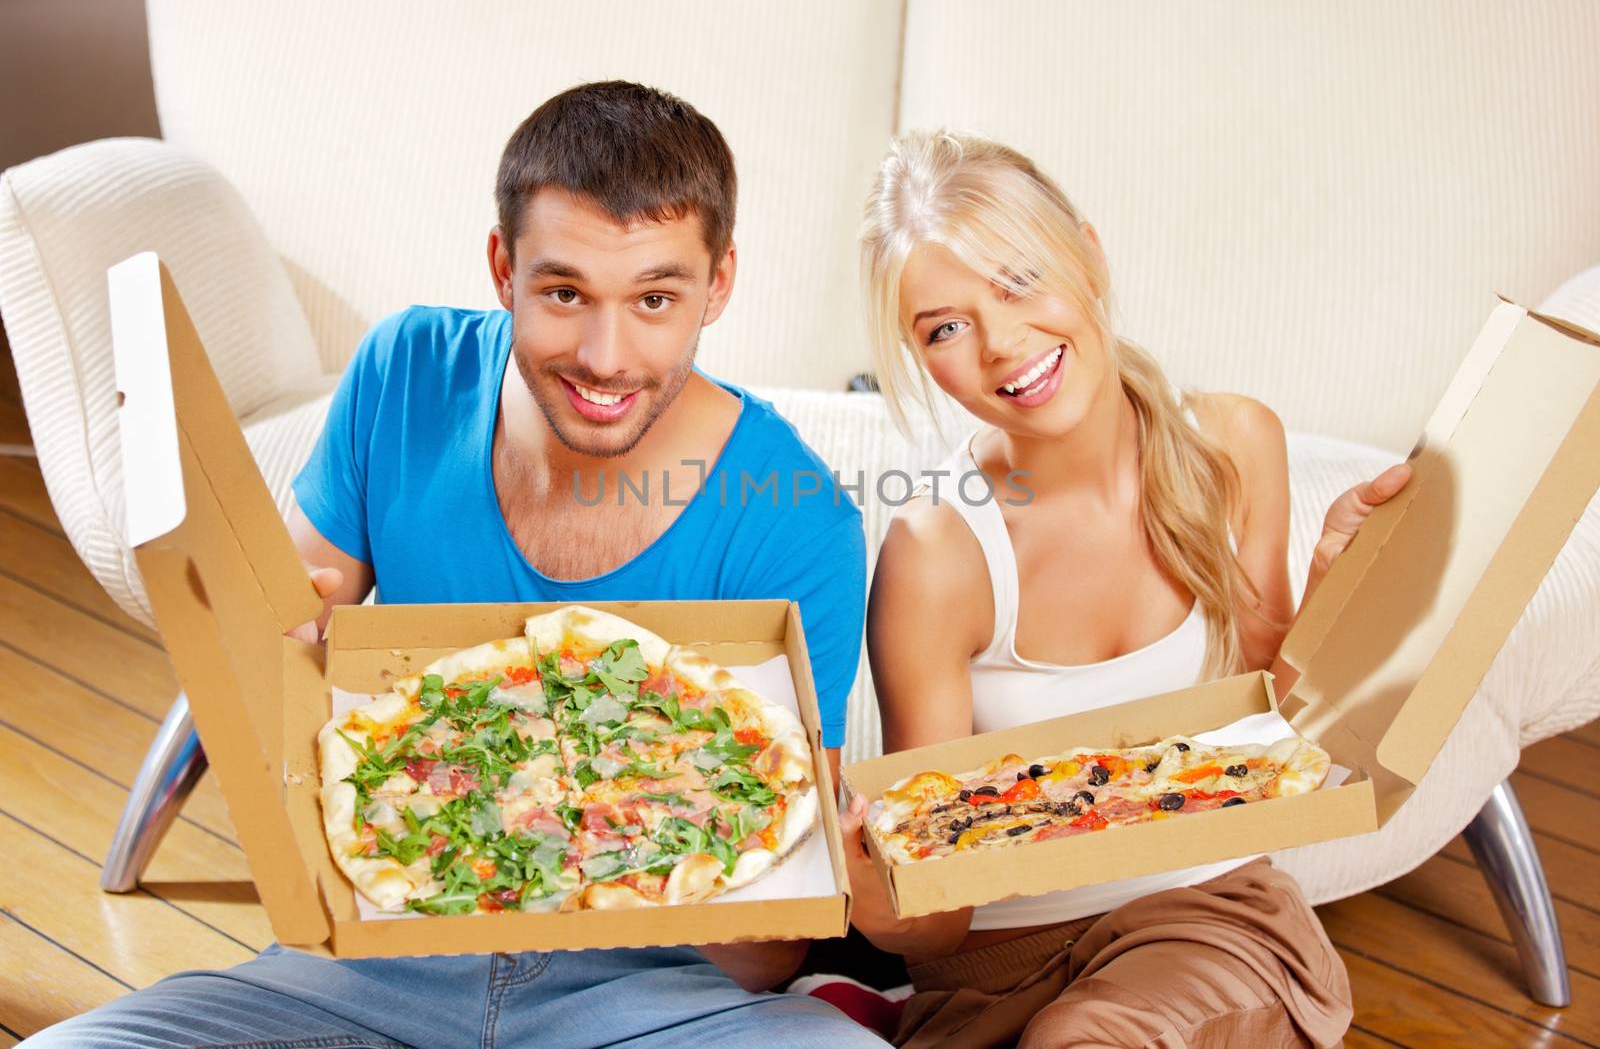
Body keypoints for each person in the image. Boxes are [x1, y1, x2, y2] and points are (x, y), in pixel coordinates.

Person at [28, 82, 883, 1049]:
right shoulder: (406, 372)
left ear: (719, 285)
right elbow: (294, 667)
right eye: (564, 292)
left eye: (654, 298)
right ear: (501, 265)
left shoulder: (801, 523)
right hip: (374, 957)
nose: (606, 355)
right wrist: (268, 644)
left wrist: (681, 838)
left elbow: (764, 956)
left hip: (652, 997)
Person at [837, 131, 1411, 1048]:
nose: (1001, 343)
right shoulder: (937, 549)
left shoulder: (1231, 444)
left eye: (1019, 279)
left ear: (1090, 258)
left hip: (1206, 916)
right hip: (995, 970)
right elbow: (938, 917)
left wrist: (1336, 596)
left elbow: (1271, 738)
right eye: (944, 326)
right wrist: (881, 898)